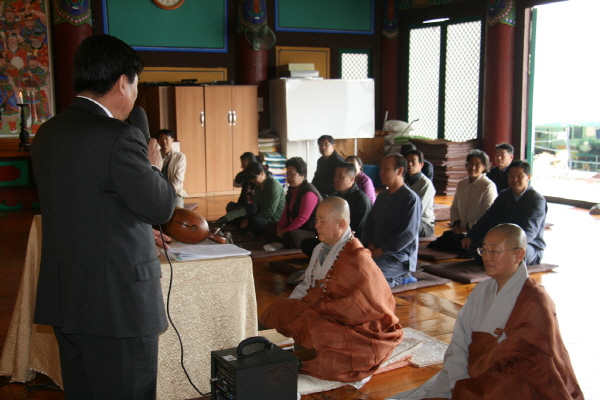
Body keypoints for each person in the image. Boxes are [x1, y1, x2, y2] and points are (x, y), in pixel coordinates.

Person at [31, 34, 176, 400]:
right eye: (136, 84)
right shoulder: (119, 137)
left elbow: (90, 205)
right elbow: (161, 207)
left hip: (68, 299)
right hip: (118, 307)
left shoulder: (47, 133)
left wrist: (140, 234)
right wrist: (153, 167)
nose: (136, 95)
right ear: (121, 83)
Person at [388, 224, 584, 400]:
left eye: (495, 251)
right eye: (484, 249)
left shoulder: (534, 301)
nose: (486, 256)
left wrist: (478, 387)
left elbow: (535, 364)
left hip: (509, 386)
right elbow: (459, 344)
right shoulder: (481, 291)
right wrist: (460, 382)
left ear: (519, 255)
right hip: (467, 378)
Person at [260, 197, 404, 383]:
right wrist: (293, 306)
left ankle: (292, 358)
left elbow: (363, 307)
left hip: (354, 325)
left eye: (322, 221)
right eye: (316, 219)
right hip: (321, 309)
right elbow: (307, 284)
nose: (316, 225)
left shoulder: (357, 259)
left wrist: (317, 307)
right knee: (281, 308)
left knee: (317, 334)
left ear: (341, 224)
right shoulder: (320, 248)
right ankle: (267, 347)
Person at [462, 160, 546, 265]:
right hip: (501, 242)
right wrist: (471, 235)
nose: (515, 179)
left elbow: (530, 231)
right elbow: (488, 218)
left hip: (528, 245)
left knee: (518, 255)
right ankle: (498, 259)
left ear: (528, 177)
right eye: (511, 176)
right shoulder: (504, 195)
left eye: (519, 176)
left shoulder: (536, 200)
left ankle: (497, 260)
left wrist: (507, 245)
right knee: (475, 245)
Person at [362, 154, 421, 288]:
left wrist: (381, 251)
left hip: (398, 258)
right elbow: (369, 223)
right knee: (352, 268)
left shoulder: (410, 199)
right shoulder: (382, 196)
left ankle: (401, 278)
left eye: (386, 169)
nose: (381, 172)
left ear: (400, 171)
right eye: (381, 168)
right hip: (376, 251)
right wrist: (370, 244)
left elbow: (407, 234)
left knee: (369, 274)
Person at [429, 150, 497, 252]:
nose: (473, 167)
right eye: (470, 163)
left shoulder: (488, 186)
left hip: (476, 231)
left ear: (484, 167)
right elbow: (455, 207)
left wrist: (466, 229)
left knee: (470, 247)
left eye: (477, 164)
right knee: (438, 243)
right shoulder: (462, 184)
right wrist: (456, 225)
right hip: (459, 230)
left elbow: (487, 215)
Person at [300, 162, 372, 258]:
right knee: (306, 243)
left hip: (349, 241)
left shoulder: (362, 200)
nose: (336, 180)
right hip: (332, 237)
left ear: (352, 179)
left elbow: (359, 231)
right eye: (335, 176)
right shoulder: (336, 196)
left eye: (340, 177)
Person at [264, 157, 323, 251]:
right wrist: (280, 227)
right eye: (287, 174)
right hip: (294, 227)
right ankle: (280, 242)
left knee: (291, 235)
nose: (289, 178)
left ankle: (280, 243)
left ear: (302, 175)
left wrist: (285, 230)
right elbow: (285, 213)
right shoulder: (292, 191)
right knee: (271, 227)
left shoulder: (309, 192)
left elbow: (302, 218)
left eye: (292, 174)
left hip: (309, 230)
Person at [239, 161, 285, 235]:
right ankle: (250, 230)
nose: (252, 181)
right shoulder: (258, 184)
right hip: (262, 214)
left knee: (254, 221)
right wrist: (247, 217)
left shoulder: (273, 185)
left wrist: (250, 219)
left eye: (254, 178)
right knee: (238, 215)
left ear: (262, 173)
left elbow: (270, 211)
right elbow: (255, 205)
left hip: (273, 218)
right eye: (251, 179)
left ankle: (251, 230)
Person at [404, 149, 436, 237]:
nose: (409, 164)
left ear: (421, 165)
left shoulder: (425, 184)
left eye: (413, 161)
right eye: (407, 161)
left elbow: (418, 210)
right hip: (405, 219)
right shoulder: (404, 181)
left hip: (423, 223)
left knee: (403, 228)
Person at [157, 128, 187, 208]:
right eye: (161, 138)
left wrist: (167, 193)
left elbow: (178, 179)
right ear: (158, 141)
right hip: (157, 192)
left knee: (178, 213)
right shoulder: (154, 156)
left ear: (172, 140)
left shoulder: (179, 157)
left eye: (167, 138)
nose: (164, 141)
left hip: (174, 192)